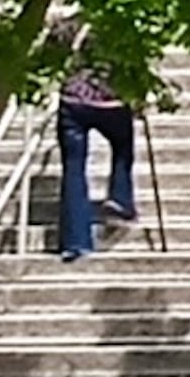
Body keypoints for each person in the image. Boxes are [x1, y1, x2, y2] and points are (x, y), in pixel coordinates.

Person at [56, 40, 138, 261]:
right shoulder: (123, 27)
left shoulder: (68, 27)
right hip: (112, 102)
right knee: (123, 147)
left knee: (73, 167)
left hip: (73, 101)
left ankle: (76, 242)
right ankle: (120, 198)